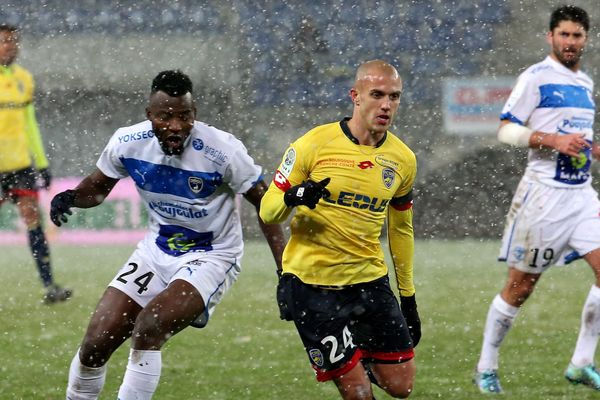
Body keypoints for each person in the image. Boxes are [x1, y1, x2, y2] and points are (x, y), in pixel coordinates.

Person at [51, 70, 285, 400]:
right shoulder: (127, 143)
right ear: (150, 116)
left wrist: (285, 272)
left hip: (212, 255)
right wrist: (72, 197)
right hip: (155, 251)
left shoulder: (223, 151)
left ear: (195, 114)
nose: (176, 126)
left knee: (149, 327)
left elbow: (268, 206)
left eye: (184, 116)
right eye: (166, 117)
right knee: (95, 342)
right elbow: (98, 189)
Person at [260, 60, 420, 399]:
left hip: (369, 282)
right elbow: (269, 210)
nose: (386, 105)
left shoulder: (403, 159)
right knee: (359, 393)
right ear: (356, 96)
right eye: (377, 94)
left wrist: (408, 296)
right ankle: (347, 366)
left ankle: (351, 357)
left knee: (401, 386)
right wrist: (294, 195)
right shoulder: (313, 144)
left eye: (395, 97)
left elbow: (401, 229)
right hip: (312, 286)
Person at [473, 5, 600, 394]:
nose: (570, 42)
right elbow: (506, 130)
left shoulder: (587, 84)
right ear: (550, 37)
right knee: (520, 287)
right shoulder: (536, 77)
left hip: (581, 195)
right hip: (543, 198)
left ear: (586, 39)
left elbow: (579, 139)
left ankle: (581, 362)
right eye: (563, 34)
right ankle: (485, 366)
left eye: (576, 35)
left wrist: (590, 149)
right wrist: (553, 141)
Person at [0, 24, 71, 304]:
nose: (10, 46)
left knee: (33, 221)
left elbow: (29, 124)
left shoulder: (24, 79)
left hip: (20, 166)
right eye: (4, 41)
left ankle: (49, 285)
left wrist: (41, 162)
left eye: (13, 41)